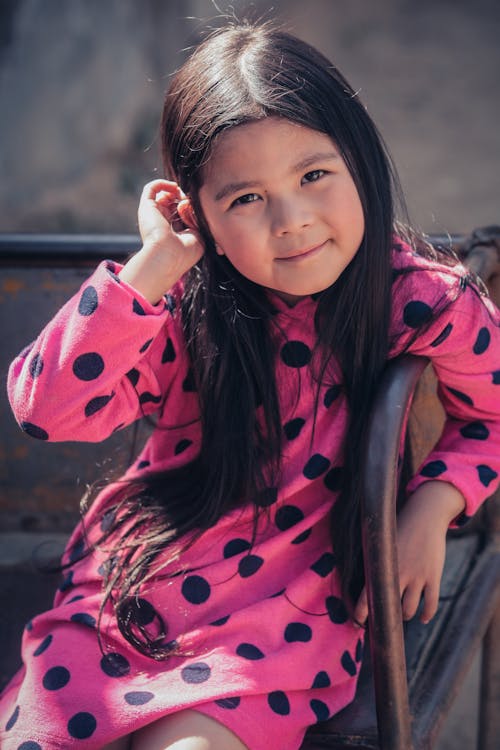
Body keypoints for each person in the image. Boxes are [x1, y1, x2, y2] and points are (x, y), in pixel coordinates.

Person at [1, 19, 499, 750]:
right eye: (245, 199)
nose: (292, 221)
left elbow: (492, 406)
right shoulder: (181, 306)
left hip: (287, 612)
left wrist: (434, 502)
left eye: (313, 176)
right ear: (195, 213)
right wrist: (153, 266)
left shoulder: (416, 298)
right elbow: (44, 411)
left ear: (359, 161)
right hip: (138, 589)